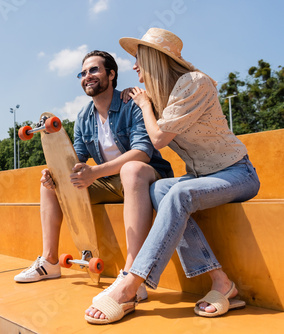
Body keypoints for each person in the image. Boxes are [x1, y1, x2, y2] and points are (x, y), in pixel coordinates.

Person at [85, 28, 260, 325]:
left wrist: (143, 105)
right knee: (160, 189)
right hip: (201, 176)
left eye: (139, 58)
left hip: (237, 173)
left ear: (156, 58)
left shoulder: (195, 83)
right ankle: (221, 282)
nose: (134, 66)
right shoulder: (160, 95)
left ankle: (131, 284)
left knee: (179, 193)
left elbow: (159, 138)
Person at [14, 50, 173, 303]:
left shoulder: (131, 103)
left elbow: (142, 152)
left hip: (146, 176)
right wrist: (54, 172)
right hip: (111, 182)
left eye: (94, 70)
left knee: (130, 170)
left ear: (111, 74)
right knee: (51, 186)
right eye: (83, 72)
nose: (87, 76)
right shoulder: (82, 117)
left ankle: (133, 274)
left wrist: (95, 172)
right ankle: (50, 261)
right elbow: (74, 160)